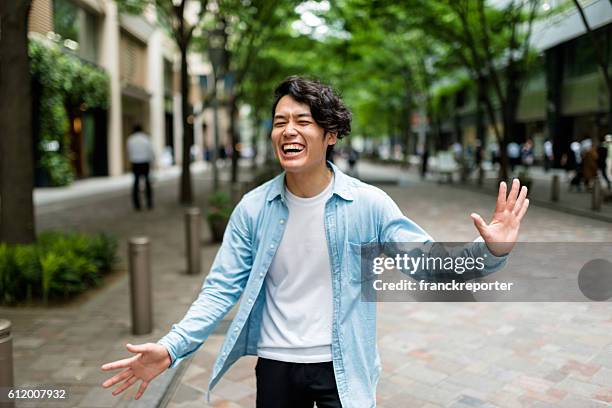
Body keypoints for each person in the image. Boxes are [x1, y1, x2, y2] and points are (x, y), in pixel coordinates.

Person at [101, 77, 530, 407]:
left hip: (342, 366)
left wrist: (491, 250)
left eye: (303, 121)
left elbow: (428, 265)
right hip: (275, 364)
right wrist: (172, 347)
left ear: (330, 135)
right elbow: (219, 290)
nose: (288, 130)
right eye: (280, 122)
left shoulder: (368, 204)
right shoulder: (253, 208)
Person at [127, 125, 155, 210]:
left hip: (135, 162)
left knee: (136, 183)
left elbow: (129, 152)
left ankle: (137, 205)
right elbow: (151, 151)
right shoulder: (146, 139)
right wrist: (152, 162)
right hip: (145, 162)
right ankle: (149, 202)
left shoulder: (130, 139)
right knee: (147, 182)